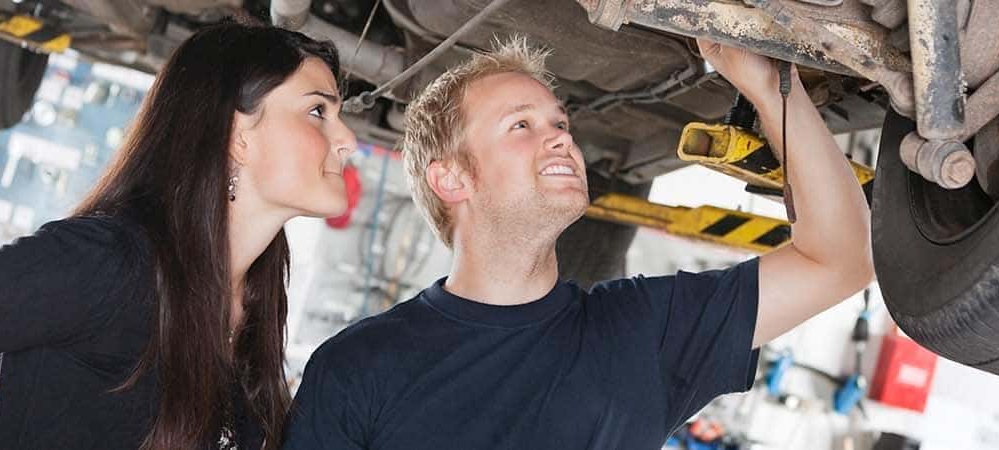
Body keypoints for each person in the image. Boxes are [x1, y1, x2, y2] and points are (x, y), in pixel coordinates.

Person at [281, 35, 874, 450]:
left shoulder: (644, 331)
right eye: (523, 125)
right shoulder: (357, 369)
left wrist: (770, 90)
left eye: (560, 123)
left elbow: (840, 258)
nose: (562, 139)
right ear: (451, 178)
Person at [0, 23, 358, 450]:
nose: (348, 140)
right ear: (237, 136)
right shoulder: (105, 264)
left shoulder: (255, 307)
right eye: (318, 111)